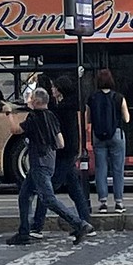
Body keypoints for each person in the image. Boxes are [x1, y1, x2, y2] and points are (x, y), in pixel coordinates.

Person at [9, 86, 89, 246]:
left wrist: (8, 114)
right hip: (48, 162)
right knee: (24, 195)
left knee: (49, 199)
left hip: (38, 164)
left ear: (37, 101)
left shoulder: (34, 118)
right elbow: (60, 143)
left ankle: (80, 224)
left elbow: (15, 130)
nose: (29, 100)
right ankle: (23, 232)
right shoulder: (52, 116)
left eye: (31, 98)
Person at [49, 75, 92, 228]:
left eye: (54, 87)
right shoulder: (71, 105)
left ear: (60, 90)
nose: (52, 90)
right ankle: (86, 219)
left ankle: (37, 224)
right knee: (75, 189)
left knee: (49, 190)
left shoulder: (62, 108)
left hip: (65, 152)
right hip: (71, 150)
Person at [89, 67, 130, 214]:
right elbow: (126, 118)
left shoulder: (92, 97)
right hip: (116, 135)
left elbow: (88, 118)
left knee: (101, 169)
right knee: (118, 169)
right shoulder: (119, 97)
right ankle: (119, 203)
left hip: (98, 136)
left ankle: (103, 203)